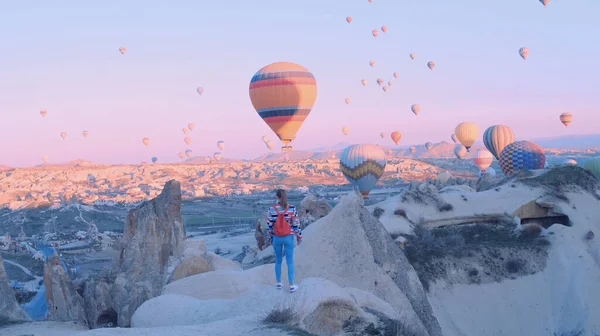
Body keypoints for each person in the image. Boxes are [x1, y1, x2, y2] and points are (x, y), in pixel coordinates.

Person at [266, 189, 302, 292]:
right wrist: (299, 237)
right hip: (288, 238)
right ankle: (291, 285)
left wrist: (270, 238)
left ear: (276, 196)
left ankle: (278, 283)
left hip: (277, 238)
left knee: (278, 261)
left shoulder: (271, 209)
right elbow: (296, 225)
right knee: (290, 262)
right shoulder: (291, 208)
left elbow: (269, 226)